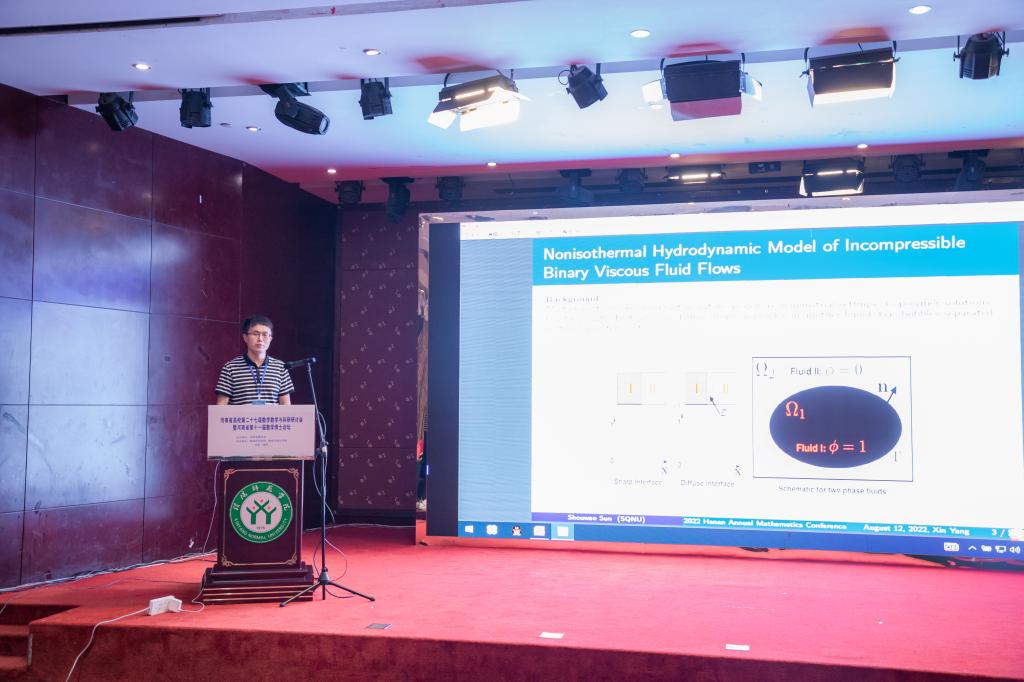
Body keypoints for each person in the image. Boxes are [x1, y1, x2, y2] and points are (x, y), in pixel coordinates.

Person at [215, 315, 295, 405]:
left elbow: (286, 407)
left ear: (270, 339)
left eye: (265, 335)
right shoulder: (230, 368)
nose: (260, 339)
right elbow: (221, 408)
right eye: (255, 334)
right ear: (245, 337)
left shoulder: (281, 367)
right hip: (242, 415)